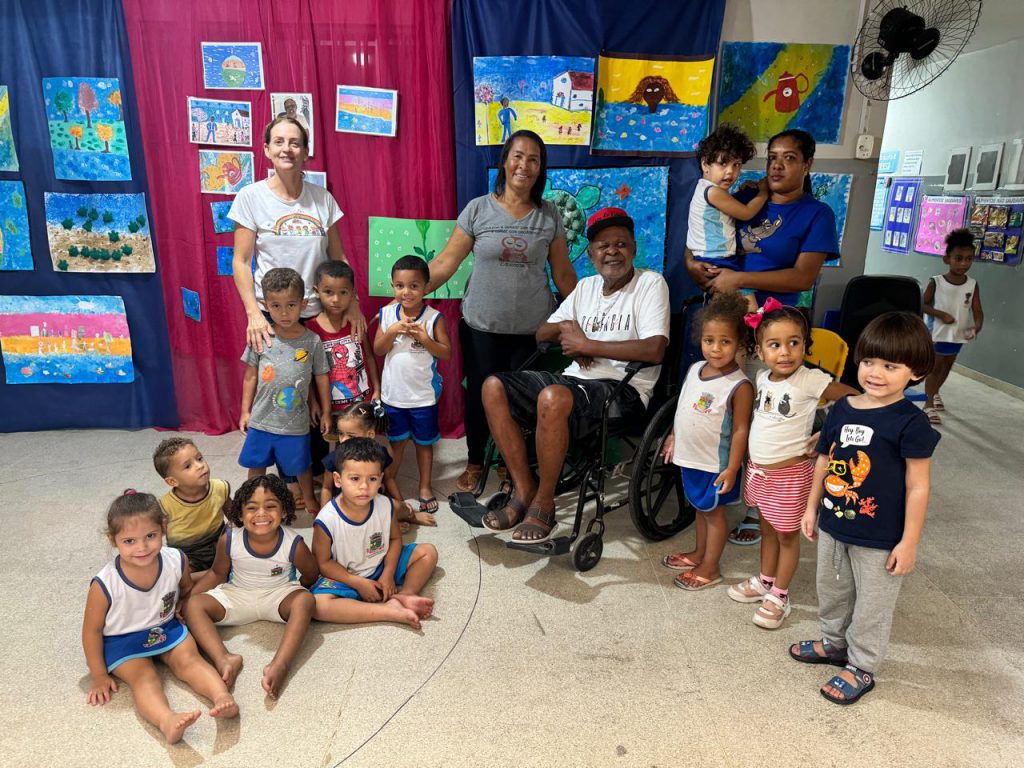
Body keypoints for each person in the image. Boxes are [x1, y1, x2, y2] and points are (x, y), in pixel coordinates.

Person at [686, 128, 839, 546]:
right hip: (728, 322)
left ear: (807, 165)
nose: (777, 164)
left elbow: (803, 275)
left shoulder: (816, 214)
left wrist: (740, 278)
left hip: (776, 330)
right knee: (720, 408)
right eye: (773, 155)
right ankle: (715, 488)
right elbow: (703, 234)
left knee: (767, 415)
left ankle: (760, 504)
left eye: (790, 158)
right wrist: (691, 264)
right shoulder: (746, 197)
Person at [480, 207, 670, 543]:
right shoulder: (586, 287)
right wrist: (568, 330)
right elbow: (542, 334)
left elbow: (655, 349)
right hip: (575, 382)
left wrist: (590, 344)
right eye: (602, 246)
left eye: (621, 244)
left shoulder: (650, 284)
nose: (612, 251)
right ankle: (524, 489)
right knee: (494, 386)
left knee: (552, 397)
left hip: (623, 390)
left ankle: (544, 503)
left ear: (634, 248)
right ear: (592, 253)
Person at [795, 312, 939, 704]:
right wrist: (811, 509)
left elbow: (918, 487)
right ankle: (833, 643)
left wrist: (909, 542)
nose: (875, 373)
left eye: (891, 366)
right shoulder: (841, 409)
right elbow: (825, 460)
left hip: (881, 536)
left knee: (873, 604)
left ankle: (861, 665)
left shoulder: (911, 423)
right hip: (832, 522)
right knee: (832, 590)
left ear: (915, 371)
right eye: (869, 362)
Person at [427, 130, 577, 494]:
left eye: (533, 159)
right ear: (505, 161)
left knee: (525, 404)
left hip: (532, 332)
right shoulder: (478, 209)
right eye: (518, 156)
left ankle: (515, 466)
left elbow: (562, 274)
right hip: (481, 327)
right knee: (480, 396)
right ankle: (476, 461)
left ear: (541, 169)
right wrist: (409, 296)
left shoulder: (549, 215)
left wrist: (588, 314)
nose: (524, 165)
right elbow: (446, 263)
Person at [726, 302, 857, 629]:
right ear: (760, 349)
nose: (785, 352)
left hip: (790, 476)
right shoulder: (761, 376)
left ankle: (780, 596)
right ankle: (765, 581)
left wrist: (826, 433)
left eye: (794, 342)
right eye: (774, 345)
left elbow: (853, 398)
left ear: (805, 344)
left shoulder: (810, 379)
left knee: (786, 536)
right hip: (760, 472)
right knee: (767, 529)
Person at [82, 491, 237, 744]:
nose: (142, 547)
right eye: (129, 541)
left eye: (150, 536)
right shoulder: (104, 584)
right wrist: (98, 674)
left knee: (190, 660)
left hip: (165, 626)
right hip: (122, 640)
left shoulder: (176, 559)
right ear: (113, 540)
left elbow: (185, 588)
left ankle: (222, 697)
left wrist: (181, 606)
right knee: (145, 679)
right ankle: (166, 721)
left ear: (163, 529)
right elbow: (91, 631)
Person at [230, 117, 361, 354]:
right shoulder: (250, 197)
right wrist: (254, 314)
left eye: (294, 143)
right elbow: (241, 262)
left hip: (320, 313)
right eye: (279, 142)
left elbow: (338, 257)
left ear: (305, 152)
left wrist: (353, 303)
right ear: (267, 149)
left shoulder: (323, 199)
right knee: (280, 389)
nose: (286, 149)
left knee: (323, 388)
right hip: (272, 316)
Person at [184, 475, 317, 700]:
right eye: (252, 508)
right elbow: (217, 574)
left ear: (284, 511)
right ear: (240, 513)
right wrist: (189, 599)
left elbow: (311, 573)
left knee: (305, 601)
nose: (261, 514)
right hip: (237, 594)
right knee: (194, 605)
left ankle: (280, 664)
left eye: (271, 506)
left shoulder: (294, 543)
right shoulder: (229, 539)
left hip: (278, 595)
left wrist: (295, 591)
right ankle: (224, 658)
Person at [660, 292, 754, 590]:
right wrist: (674, 436)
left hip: (716, 464)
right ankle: (700, 554)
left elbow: (741, 430)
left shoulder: (739, 385)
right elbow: (684, 407)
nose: (715, 348)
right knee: (701, 509)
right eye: (709, 340)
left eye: (725, 342)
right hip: (691, 457)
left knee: (714, 514)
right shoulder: (693, 370)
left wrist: (732, 468)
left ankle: (711, 568)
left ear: (740, 343)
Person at [310, 438, 438, 628]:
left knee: (428, 552)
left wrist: (388, 572)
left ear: (380, 478)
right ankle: (388, 611)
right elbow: (323, 563)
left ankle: (406, 595)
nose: (364, 487)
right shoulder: (326, 519)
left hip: (381, 564)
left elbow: (395, 540)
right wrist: (358, 583)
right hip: (346, 576)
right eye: (355, 479)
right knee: (318, 605)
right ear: (338, 480)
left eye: (372, 479)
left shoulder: (385, 505)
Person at [239, 268, 331, 513]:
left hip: (295, 422)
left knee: (301, 464)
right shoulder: (261, 336)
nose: (284, 312)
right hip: (261, 419)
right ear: (264, 305)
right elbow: (249, 376)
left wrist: (324, 409)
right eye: (276, 306)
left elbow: (320, 376)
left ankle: (310, 499)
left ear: (303, 304)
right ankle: (250, 501)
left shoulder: (312, 341)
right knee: (256, 464)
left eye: (290, 305)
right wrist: (244, 412)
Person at [373, 255, 451, 515]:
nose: (406, 292)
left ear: (426, 287)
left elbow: (445, 353)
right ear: (393, 286)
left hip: (423, 397)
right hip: (393, 396)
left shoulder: (433, 317)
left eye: (414, 286)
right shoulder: (386, 315)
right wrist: (393, 330)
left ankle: (425, 486)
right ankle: (389, 479)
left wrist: (426, 339)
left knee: (424, 444)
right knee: (396, 443)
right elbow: (378, 349)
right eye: (399, 285)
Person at [687, 123, 768, 307]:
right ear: (705, 163)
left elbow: (724, 211)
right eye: (723, 163)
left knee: (726, 309)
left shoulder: (705, 189)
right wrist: (763, 192)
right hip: (717, 260)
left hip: (712, 258)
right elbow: (746, 213)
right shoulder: (713, 192)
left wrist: (740, 190)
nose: (730, 171)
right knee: (749, 307)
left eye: (736, 164)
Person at [319, 401, 436, 528]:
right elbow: (326, 488)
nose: (343, 440)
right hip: (347, 505)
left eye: (351, 435)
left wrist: (403, 505)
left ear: (370, 435)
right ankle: (387, 525)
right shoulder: (335, 458)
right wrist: (324, 518)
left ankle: (407, 517)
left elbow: (389, 479)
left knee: (400, 509)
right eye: (341, 434)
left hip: (374, 499)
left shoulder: (379, 454)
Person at [307, 260, 379, 444]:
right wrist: (313, 402)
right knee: (338, 450)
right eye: (328, 292)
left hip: (361, 403)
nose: (336, 299)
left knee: (362, 446)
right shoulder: (311, 329)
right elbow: (307, 372)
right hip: (330, 406)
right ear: (317, 291)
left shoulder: (356, 323)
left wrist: (377, 390)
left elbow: (369, 357)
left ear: (353, 294)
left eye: (343, 292)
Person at [922, 228, 983, 424]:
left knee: (947, 368)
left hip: (957, 336)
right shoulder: (936, 282)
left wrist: (976, 327)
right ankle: (928, 404)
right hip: (937, 334)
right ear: (947, 259)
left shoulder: (972, 284)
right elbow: (921, 304)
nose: (964, 263)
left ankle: (935, 392)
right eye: (958, 258)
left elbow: (978, 311)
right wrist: (940, 314)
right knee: (936, 369)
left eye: (968, 259)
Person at [153, 438, 230, 577]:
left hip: (220, 543)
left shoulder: (219, 487)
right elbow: (155, 534)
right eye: (188, 466)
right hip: (189, 553)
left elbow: (234, 516)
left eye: (199, 458)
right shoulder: (165, 505)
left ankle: (218, 573)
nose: (200, 466)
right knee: (180, 576)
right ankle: (216, 574)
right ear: (172, 481)